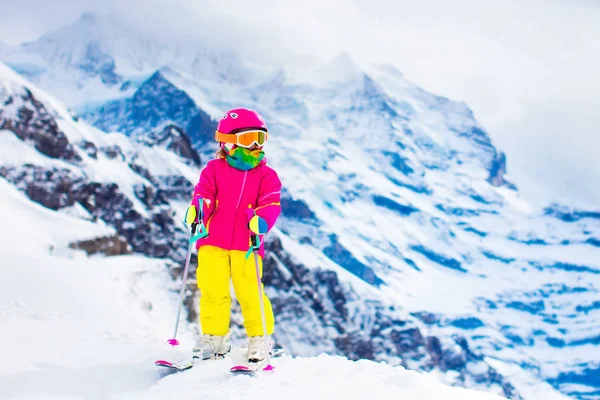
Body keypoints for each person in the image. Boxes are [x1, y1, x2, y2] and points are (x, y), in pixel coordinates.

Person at [184, 107, 282, 364]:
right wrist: (199, 209)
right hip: (213, 240)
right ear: (227, 141)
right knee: (212, 289)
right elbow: (203, 192)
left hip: (246, 243)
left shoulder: (266, 176)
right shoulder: (214, 170)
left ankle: (259, 339)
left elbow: (271, 203)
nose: (255, 147)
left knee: (251, 292)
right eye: (248, 139)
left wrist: (262, 221)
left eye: (260, 139)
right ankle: (214, 338)